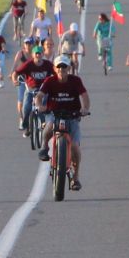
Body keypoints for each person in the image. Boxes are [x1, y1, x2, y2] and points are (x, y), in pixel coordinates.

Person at [36, 53, 90, 189]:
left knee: (75, 147)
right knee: (49, 125)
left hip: (72, 116)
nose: (62, 70)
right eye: (59, 67)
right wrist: (40, 106)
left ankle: (75, 179)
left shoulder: (76, 81)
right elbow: (39, 96)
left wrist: (85, 109)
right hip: (54, 114)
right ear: (55, 69)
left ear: (69, 68)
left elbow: (84, 96)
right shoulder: (49, 81)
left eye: (64, 67)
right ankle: (44, 146)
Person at [13, 38, 54, 136]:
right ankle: (26, 126)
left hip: (44, 90)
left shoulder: (48, 64)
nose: (38, 56)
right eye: (36, 54)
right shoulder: (28, 64)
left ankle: (45, 123)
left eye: (40, 53)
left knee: (45, 108)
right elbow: (16, 73)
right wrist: (14, 80)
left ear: (42, 54)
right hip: (31, 89)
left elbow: (56, 73)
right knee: (26, 108)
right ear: (33, 55)